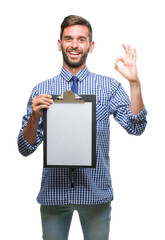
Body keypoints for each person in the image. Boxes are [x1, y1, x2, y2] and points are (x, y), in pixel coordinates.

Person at [17, 15, 147, 240]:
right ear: (60, 44)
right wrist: (34, 117)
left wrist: (134, 83)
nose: (74, 45)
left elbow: (136, 127)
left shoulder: (109, 87)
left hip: (96, 194)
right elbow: (25, 148)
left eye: (81, 39)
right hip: (54, 195)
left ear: (91, 45)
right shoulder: (42, 89)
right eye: (68, 39)